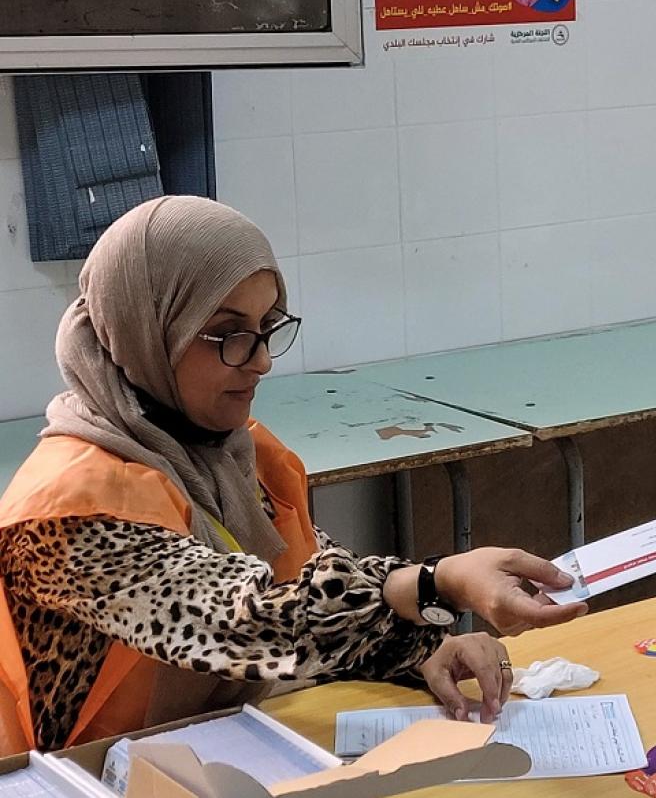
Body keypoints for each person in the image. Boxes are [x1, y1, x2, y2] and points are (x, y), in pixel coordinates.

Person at [0, 197, 586, 754]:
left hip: (208, 746)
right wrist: (437, 584)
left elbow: (305, 578)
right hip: (92, 774)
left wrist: (420, 649)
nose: (260, 360)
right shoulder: (68, 506)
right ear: (145, 332)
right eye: (229, 334)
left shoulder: (227, 454)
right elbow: (241, 621)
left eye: (268, 327)